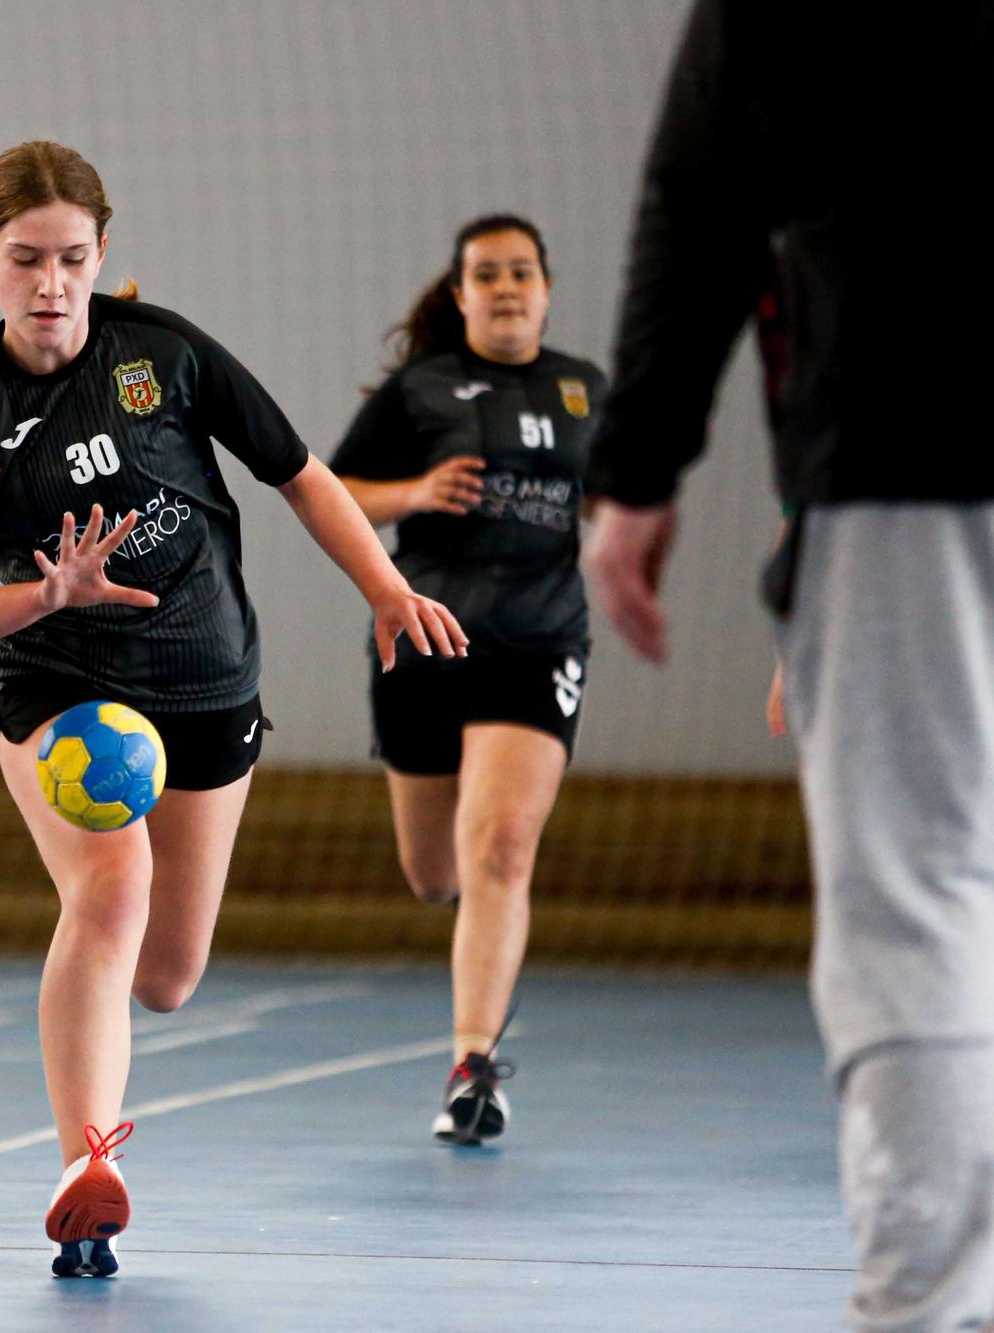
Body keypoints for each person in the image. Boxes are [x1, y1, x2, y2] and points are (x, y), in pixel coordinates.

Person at [0, 140, 467, 1277]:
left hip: (204, 679)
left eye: (72, 258)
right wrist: (37, 595)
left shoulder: (165, 354)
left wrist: (385, 588)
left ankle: (100, 1100)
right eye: (22, 260)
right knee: (110, 889)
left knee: (167, 974)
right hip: (58, 684)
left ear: (103, 253)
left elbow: (298, 471)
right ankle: (83, 1168)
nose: (50, 284)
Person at [579, 3, 994, 1327]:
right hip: (899, 429)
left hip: (912, 414)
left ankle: (936, 1302)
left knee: (914, 888)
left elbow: (699, 186)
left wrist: (639, 465)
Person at [328, 215, 606, 1146]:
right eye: (486, 274)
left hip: (538, 641)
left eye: (522, 271)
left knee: (498, 848)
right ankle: (462, 930)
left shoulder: (583, 389)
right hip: (426, 636)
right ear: (460, 294)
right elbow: (331, 488)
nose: (506, 287)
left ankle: (473, 1069)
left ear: (546, 287)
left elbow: (619, 497)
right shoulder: (422, 388)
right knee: (435, 872)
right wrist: (414, 494)